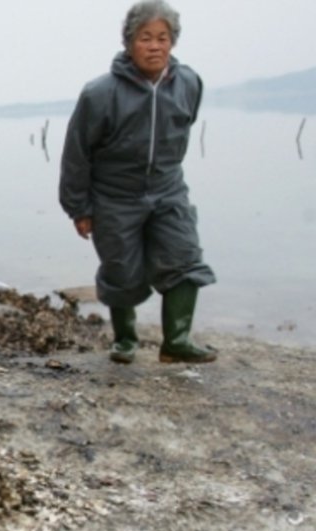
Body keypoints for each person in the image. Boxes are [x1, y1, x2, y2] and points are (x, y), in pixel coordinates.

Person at [59, 0, 217, 364]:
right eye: (145, 38)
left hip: (168, 189)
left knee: (185, 259)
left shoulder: (189, 82)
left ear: (172, 42)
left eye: (162, 38)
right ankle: (125, 339)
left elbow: (186, 124)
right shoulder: (100, 93)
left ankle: (176, 342)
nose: (155, 46)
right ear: (130, 43)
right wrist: (79, 207)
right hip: (115, 196)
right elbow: (76, 153)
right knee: (121, 270)